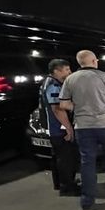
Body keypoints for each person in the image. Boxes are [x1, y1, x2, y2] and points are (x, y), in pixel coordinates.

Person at [59, 50, 105, 210]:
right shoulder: (103, 76)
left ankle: (87, 201)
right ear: (94, 61)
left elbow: (64, 105)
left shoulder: (70, 79)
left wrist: (80, 108)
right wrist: (104, 108)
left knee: (87, 162)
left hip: (83, 127)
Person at [41, 59, 80, 196]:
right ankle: (68, 187)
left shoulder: (48, 83)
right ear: (57, 71)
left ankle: (60, 184)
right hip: (59, 130)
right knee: (66, 159)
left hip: (54, 129)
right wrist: (68, 128)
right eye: (66, 70)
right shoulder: (54, 85)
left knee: (58, 158)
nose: (69, 72)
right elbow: (57, 109)